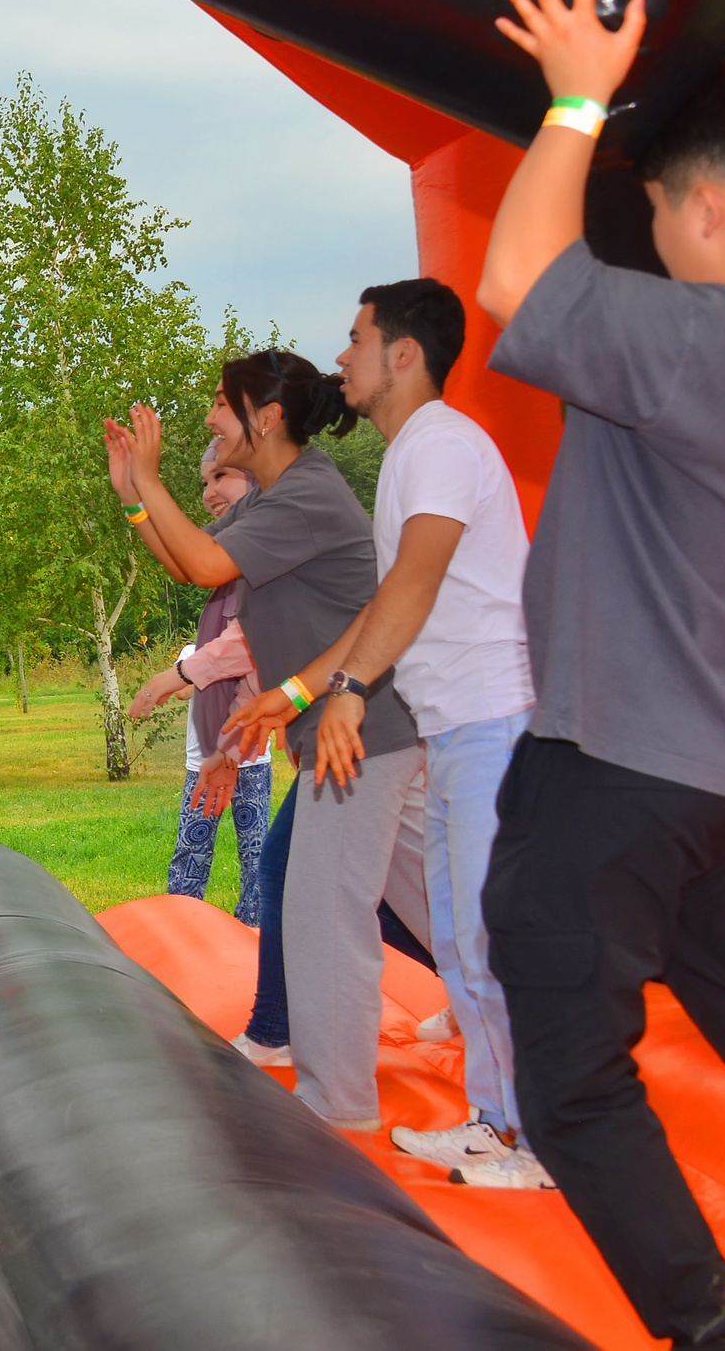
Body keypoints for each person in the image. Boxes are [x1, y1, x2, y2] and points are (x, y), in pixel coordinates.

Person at [465, 0, 725, 1346]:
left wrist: (578, 102)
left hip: (618, 773)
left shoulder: (714, 339)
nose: (647, 238)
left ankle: (710, 1335)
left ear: (708, 207)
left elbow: (519, 277)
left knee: (575, 1075)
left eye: (654, 215)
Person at [226, 278, 544, 1189]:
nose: (343, 356)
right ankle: (498, 1120)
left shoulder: (440, 443)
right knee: (458, 933)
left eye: (356, 338)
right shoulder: (411, 454)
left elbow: (415, 580)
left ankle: (539, 1138)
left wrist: (353, 691)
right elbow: (379, 607)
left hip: (492, 721)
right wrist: (298, 692)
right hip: (452, 732)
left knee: (488, 934)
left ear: (403, 353)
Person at [108, 354, 427, 1134]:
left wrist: (151, 480)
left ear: (267, 417)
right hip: (353, 734)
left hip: (365, 731)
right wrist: (135, 502)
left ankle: (337, 1102)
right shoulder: (279, 498)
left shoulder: (308, 493)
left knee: (326, 913)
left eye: (222, 403)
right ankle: (494, 1034)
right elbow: (194, 565)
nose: (212, 418)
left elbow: (207, 561)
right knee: (432, 900)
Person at [124, 441, 272, 927]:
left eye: (221, 477)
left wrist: (179, 673)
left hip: (255, 754)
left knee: (262, 855)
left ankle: (255, 926)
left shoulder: (268, 549)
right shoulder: (230, 557)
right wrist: (134, 503)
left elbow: (250, 643)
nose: (209, 493)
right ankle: (185, 923)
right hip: (219, 756)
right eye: (204, 482)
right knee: (195, 847)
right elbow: (183, 560)